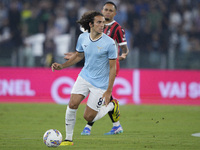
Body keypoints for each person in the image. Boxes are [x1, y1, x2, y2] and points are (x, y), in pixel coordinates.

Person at [51, 11, 119, 146]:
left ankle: (111, 106)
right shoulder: (83, 38)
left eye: (103, 22)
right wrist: (62, 66)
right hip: (84, 77)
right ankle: (68, 139)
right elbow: (78, 56)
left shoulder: (109, 43)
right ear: (91, 24)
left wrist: (109, 91)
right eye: (99, 22)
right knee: (72, 104)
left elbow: (113, 68)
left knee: (88, 117)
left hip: (100, 84)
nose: (102, 25)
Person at [64, 1, 129, 135]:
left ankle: (89, 125)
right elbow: (87, 46)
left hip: (109, 65)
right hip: (94, 65)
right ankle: (115, 125)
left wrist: (123, 54)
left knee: (103, 94)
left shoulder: (117, 28)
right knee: (102, 98)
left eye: (110, 11)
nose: (107, 12)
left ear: (115, 13)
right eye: (105, 9)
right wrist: (76, 55)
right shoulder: (97, 24)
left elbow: (124, 47)